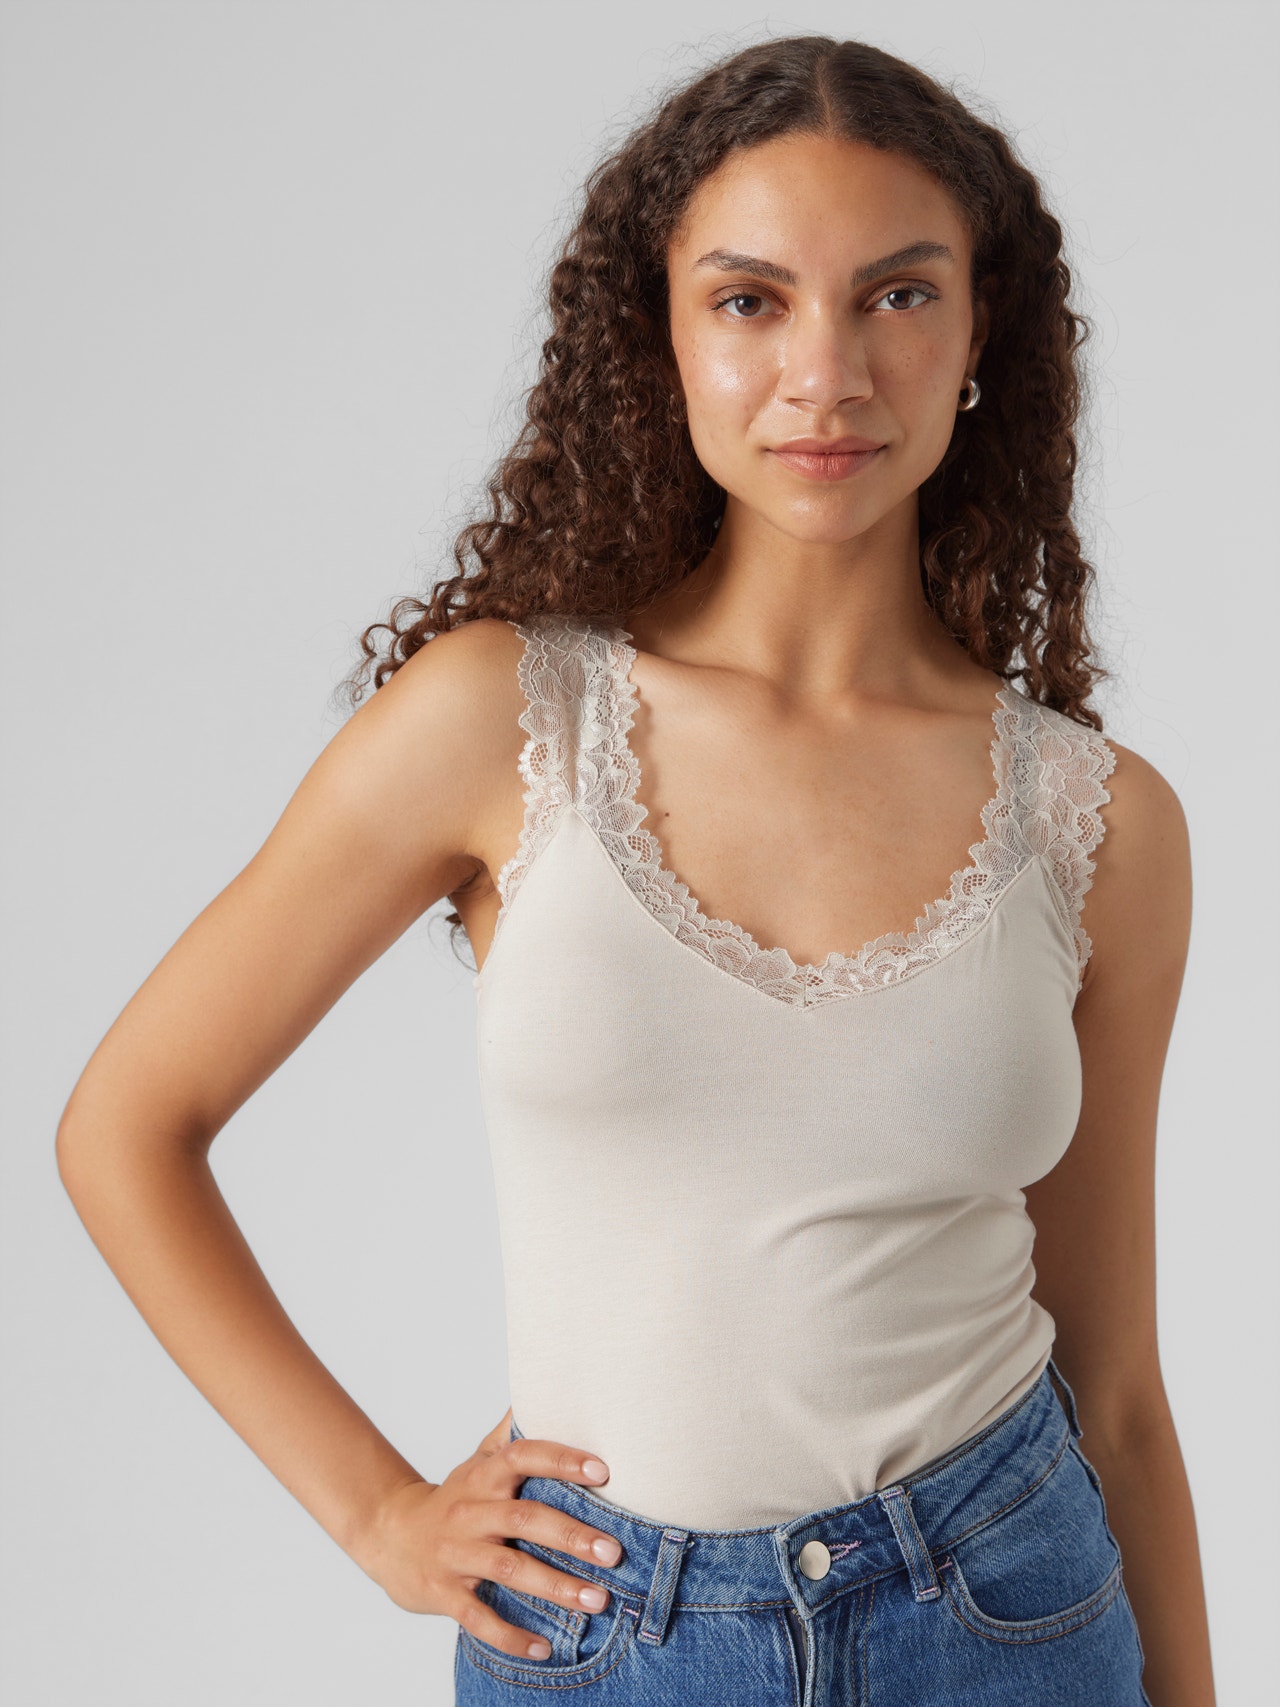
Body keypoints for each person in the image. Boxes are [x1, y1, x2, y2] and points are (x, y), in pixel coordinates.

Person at [56, 33, 1214, 1707]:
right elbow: (127, 1125)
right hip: (604, 1642)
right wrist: (378, 1513)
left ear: (983, 335)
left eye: (898, 294)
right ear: (659, 335)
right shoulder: (502, 721)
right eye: (751, 300)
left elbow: (1117, 1389)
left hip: (1007, 1618)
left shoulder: (1098, 821)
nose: (827, 373)